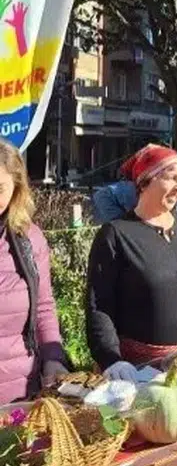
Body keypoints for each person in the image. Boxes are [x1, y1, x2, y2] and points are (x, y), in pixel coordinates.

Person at [86, 144, 177, 382]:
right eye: (172, 178)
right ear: (145, 181)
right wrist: (111, 359)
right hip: (139, 370)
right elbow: (99, 305)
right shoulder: (116, 234)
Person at [0, 140, 68, 404]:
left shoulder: (29, 238)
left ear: (16, 188)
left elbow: (43, 308)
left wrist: (53, 357)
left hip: (20, 392)